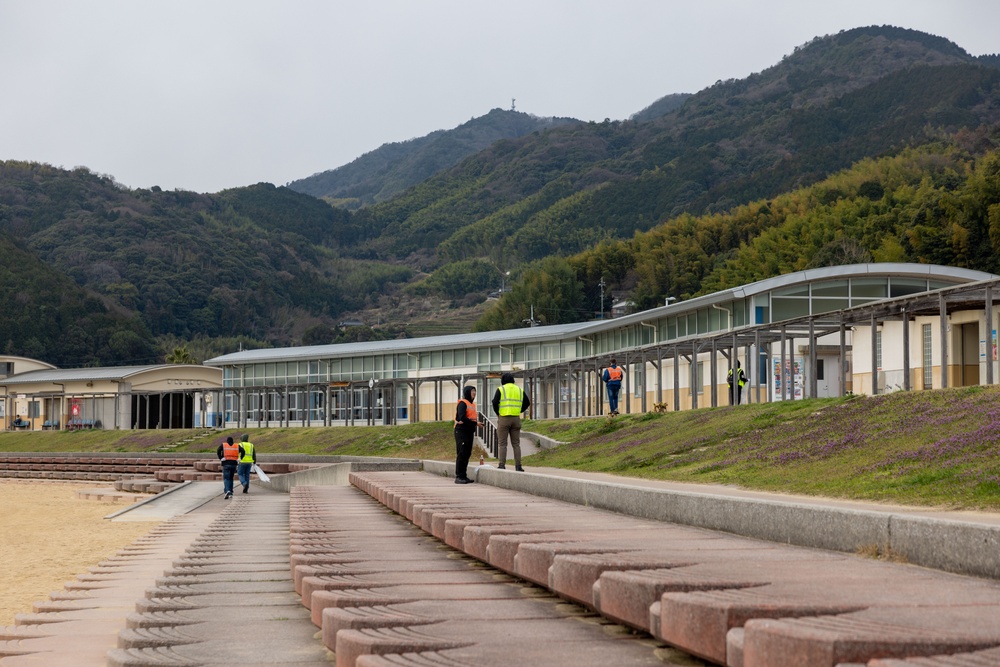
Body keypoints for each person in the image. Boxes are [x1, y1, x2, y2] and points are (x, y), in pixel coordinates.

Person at [491, 372, 530, 471]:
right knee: (516, 443)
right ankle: (518, 466)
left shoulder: (501, 389)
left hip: (504, 418)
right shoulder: (519, 390)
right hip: (516, 418)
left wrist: (498, 413)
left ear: (502, 381)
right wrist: (519, 410)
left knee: (502, 443)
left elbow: (495, 402)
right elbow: (527, 402)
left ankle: (502, 465)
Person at [453, 386, 479, 484]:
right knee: (462, 453)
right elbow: (462, 417)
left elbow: (471, 418)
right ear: (467, 392)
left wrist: (475, 424)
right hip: (461, 431)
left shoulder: (472, 405)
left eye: (475, 391)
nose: (474, 393)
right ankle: (459, 476)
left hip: (469, 431)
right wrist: (475, 424)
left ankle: (464, 476)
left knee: (467, 453)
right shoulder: (462, 403)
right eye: (472, 391)